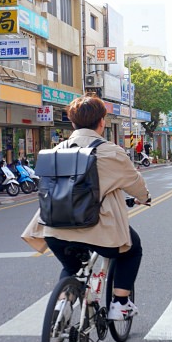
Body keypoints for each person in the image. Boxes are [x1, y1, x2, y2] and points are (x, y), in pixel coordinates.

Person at [21, 95, 151, 321]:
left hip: (54, 228)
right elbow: (135, 183)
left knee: (72, 268)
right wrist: (145, 197)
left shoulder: (56, 150)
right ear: (102, 121)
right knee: (132, 248)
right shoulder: (110, 151)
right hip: (98, 231)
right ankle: (120, 304)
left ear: (72, 123)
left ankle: (62, 306)